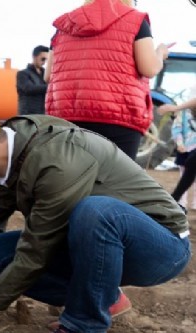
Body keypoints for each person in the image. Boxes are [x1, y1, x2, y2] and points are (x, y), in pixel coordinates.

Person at [0, 107, 190, 333]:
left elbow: (35, 252)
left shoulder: (56, 160)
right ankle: (107, 299)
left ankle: (85, 330)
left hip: (161, 246)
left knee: (96, 212)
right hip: (99, 246)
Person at [44, 0, 171, 160]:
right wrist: (159, 53)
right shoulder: (136, 20)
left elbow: (49, 76)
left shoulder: (63, 25)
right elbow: (149, 68)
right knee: (115, 181)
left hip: (66, 117)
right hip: (117, 116)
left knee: (74, 179)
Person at [158, 97, 196, 209]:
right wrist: (180, 144)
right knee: (190, 165)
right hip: (186, 147)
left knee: (191, 164)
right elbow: (177, 129)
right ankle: (177, 201)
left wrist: (175, 107)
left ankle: (176, 199)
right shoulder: (183, 113)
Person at [16, 45, 48, 115]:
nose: (44, 62)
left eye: (46, 60)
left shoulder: (46, 75)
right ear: (34, 57)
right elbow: (28, 88)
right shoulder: (22, 74)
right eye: (42, 59)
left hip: (42, 115)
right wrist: (50, 87)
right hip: (28, 116)